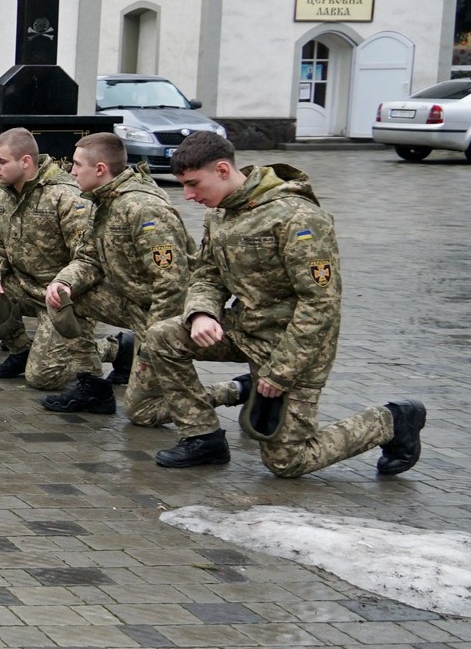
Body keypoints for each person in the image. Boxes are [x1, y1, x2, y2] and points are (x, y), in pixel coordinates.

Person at [135, 132, 426, 475]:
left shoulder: (298, 217)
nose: (188, 195)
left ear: (223, 170)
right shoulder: (219, 215)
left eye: (193, 184)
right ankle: (203, 437)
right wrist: (201, 313)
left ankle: (392, 420)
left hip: (294, 348)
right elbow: (207, 275)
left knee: (287, 462)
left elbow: (321, 304)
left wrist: (282, 371)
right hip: (247, 329)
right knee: (163, 337)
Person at [0, 128, 128, 408]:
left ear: (25, 162)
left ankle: (114, 348)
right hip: (22, 286)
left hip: (60, 298)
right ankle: (20, 350)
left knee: (43, 377)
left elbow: (87, 259)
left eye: (1, 161)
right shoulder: (3, 195)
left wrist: (63, 288)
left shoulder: (66, 196)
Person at [43, 131, 197, 421]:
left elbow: (173, 285)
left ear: (100, 169)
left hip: (163, 317)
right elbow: (89, 258)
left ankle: (236, 390)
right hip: (131, 302)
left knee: (142, 413)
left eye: (78, 165)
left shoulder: (143, 207)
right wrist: (64, 282)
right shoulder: (104, 200)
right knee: (63, 297)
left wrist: (153, 344)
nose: (71, 171)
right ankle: (91, 385)